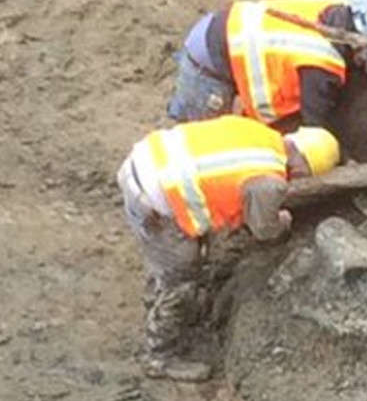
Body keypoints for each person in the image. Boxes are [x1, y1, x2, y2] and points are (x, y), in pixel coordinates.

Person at [117, 115, 340, 382]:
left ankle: (161, 305)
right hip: (154, 199)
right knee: (181, 278)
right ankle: (159, 355)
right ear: (304, 164)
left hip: (145, 162)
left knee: (174, 256)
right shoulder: (268, 182)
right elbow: (264, 230)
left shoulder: (260, 134)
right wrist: (282, 221)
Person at [166, 0, 367, 137]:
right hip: (209, 61)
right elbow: (316, 126)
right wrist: (343, 160)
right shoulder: (321, 63)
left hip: (222, 27)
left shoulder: (331, 9)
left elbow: (350, 51)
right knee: (203, 136)